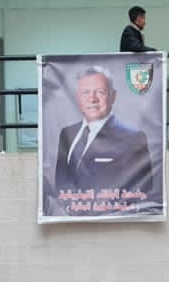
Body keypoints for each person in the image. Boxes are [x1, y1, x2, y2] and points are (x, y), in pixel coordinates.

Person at [51, 67, 157, 214]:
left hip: (111, 219)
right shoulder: (67, 134)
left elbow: (143, 188)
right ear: (77, 97)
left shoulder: (133, 139)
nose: (92, 99)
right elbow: (60, 183)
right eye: (85, 92)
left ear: (113, 96)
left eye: (100, 92)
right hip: (72, 219)